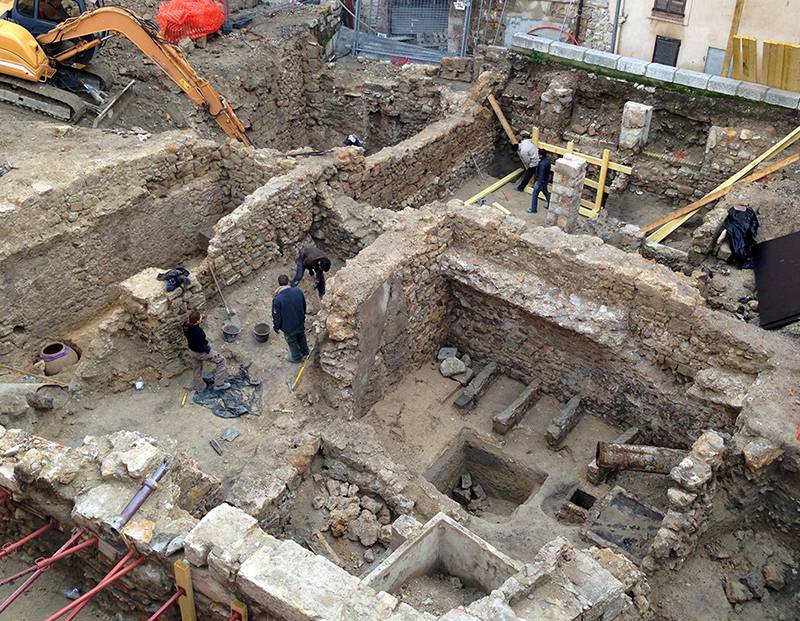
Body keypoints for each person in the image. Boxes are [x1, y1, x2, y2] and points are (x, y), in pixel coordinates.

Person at [182, 311, 230, 392]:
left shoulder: (185, 325)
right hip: (200, 352)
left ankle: (200, 387)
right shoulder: (198, 332)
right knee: (221, 360)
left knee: (197, 369)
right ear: (197, 321)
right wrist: (208, 349)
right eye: (200, 318)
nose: (202, 318)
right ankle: (219, 384)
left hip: (192, 351)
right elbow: (201, 347)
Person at [273, 275, 310, 363]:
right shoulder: (298, 291)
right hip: (300, 321)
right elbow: (304, 305)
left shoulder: (277, 300)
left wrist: (276, 327)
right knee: (301, 336)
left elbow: (276, 317)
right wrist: (302, 317)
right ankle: (306, 352)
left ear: (279, 284)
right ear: (288, 282)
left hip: (288, 327)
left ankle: (296, 357)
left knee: (292, 341)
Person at [716, 204, 759, 269]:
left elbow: (754, 223)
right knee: (740, 249)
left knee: (740, 249)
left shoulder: (749, 212)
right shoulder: (732, 215)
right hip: (739, 235)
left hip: (743, 233)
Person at [527, 149, 552, 214]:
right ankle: (550, 205)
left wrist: (538, 183)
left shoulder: (542, 165)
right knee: (545, 192)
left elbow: (541, 175)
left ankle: (533, 209)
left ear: (540, 155)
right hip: (546, 180)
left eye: (538, 154)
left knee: (534, 195)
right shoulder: (548, 161)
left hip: (541, 181)